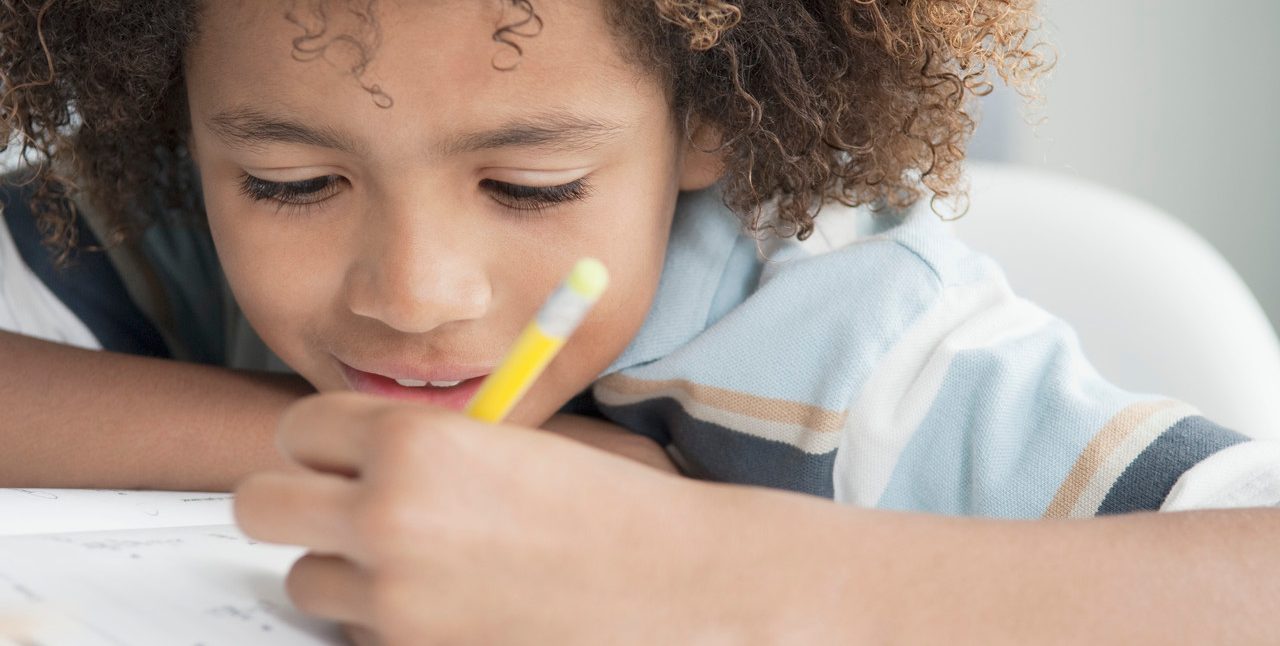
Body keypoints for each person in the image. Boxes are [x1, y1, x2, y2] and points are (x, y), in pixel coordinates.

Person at [1, 0, 1277, 643]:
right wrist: (364, 458)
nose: (411, 292)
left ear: (707, 125)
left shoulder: (845, 343)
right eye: (289, 184)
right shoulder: (154, 209)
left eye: (531, 187)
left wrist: (691, 564)